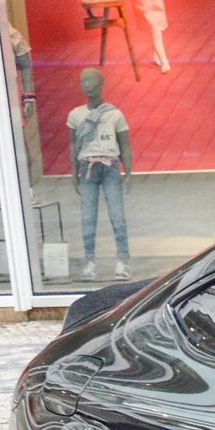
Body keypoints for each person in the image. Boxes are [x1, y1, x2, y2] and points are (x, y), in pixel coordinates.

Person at [67, 68, 132, 281]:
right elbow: (73, 145)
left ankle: (122, 260)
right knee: (88, 217)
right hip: (87, 168)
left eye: (92, 80)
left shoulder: (115, 114)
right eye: (83, 80)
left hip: (110, 166)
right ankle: (89, 262)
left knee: (117, 216)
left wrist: (129, 172)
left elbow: (124, 144)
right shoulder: (75, 115)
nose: (87, 84)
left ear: (102, 83)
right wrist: (74, 173)